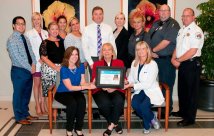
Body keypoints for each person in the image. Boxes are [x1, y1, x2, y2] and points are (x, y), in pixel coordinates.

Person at [171, 8, 204, 126]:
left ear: (193, 17)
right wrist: (173, 58)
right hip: (183, 63)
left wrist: (178, 60)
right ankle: (183, 111)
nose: (185, 18)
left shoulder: (196, 31)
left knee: (191, 92)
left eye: (187, 16)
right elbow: (178, 46)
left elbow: (193, 50)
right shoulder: (182, 30)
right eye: (183, 16)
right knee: (182, 90)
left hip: (191, 63)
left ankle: (190, 118)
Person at [145, 4, 180, 114]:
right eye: (161, 11)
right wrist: (149, 51)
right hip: (154, 60)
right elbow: (148, 37)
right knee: (154, 84)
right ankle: (157, 108)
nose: (163, 13)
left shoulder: (173, 24)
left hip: (166, 61)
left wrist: (153, 51)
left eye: (166, 11)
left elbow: (166, 42)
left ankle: (166, 110)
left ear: (169, 12)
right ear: (158, 12)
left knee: (166, 85)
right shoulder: (156, 23)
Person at [124, 41, 164, 134]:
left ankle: (147, 126)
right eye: (138, 49)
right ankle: (151, 117)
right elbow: (131, 78)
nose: (141, 51)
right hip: (140, 90)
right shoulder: (134, 62)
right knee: (134, 104)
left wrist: (132, 85)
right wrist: (127, 82)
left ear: (147, 50)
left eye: (143, 48)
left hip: (151, 90)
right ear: (136, 51)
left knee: (143, 106)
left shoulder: (153, 64)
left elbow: (148, 84)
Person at [55, 46, 96, 136]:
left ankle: (78, 128)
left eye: (76, 54)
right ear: (67, 56)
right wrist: (86, 88)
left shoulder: (81, 66)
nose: (74, 56)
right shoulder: (63, 69)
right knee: (72, 104)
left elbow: (82, 82)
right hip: (62, 92)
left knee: (81, 102)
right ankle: (69, 129)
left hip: (75, 91)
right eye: (72, 54)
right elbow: (70, 87)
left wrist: (90, 84)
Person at [7, 16, 38, 125]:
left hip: (29, 70)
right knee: (19, 94)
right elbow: (17, 58)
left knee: (26, 93)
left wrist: (34, 63)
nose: (21, 26)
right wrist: (31, 68)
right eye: (18, 24)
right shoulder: (11, 40)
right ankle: (19, 117)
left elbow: (31, 52)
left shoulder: (25, 38)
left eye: (23, 24)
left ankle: (25, 113)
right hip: (19, 71)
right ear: (13, 26)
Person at [92, 43, 125, 136]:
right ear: (102, 52)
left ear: (112, 52)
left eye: (109, 49)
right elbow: (94, 79)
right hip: (100, 90)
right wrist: (101, 85)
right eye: (104, 50)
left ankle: (110, 126)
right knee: (104, 103)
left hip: (116, 89)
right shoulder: (96, 64)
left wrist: (114, 87)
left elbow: (123, 78)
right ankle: (115, 123)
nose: (106, 51)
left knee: (118, 101)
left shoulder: (119, 62)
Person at [25, 12, 49, 115]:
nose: (36, 21)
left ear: (41, 20)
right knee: (37, 85)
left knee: (44, 85)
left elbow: (48, 48)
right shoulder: (28, 34)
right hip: (36, 63)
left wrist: (45, 59)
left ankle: (43, 104)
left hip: (46, 63)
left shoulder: (45, 33)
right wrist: (35, 61)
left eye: (38, 19)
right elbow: (29, 50)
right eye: (34, 19)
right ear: (32, 21)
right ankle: (38, 105)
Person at [39, 22, 65, 108]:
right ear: (49, 31)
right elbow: (44, 58)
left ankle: (56, 114)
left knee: (58, 91)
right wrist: (55, 67)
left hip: (60, 70)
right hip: (49, 70)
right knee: (49, 93)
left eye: (56, 29)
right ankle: (50, 113)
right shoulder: (45, 42)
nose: (55, 31)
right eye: (52, 29)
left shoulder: (61, 42)